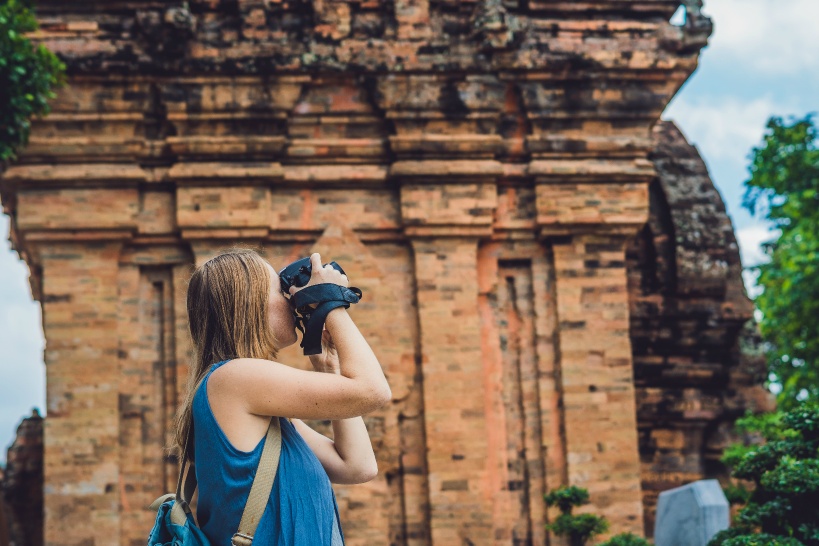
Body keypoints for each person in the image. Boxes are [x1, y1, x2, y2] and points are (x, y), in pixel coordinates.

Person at [172, 248, 391, 546]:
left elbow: (357, 466)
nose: (292, 299)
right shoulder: (234, 377)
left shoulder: (256, 402)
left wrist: (331, 369)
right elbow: (373, 390)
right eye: (280, 288)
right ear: (247, 303)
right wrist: (330, 300)